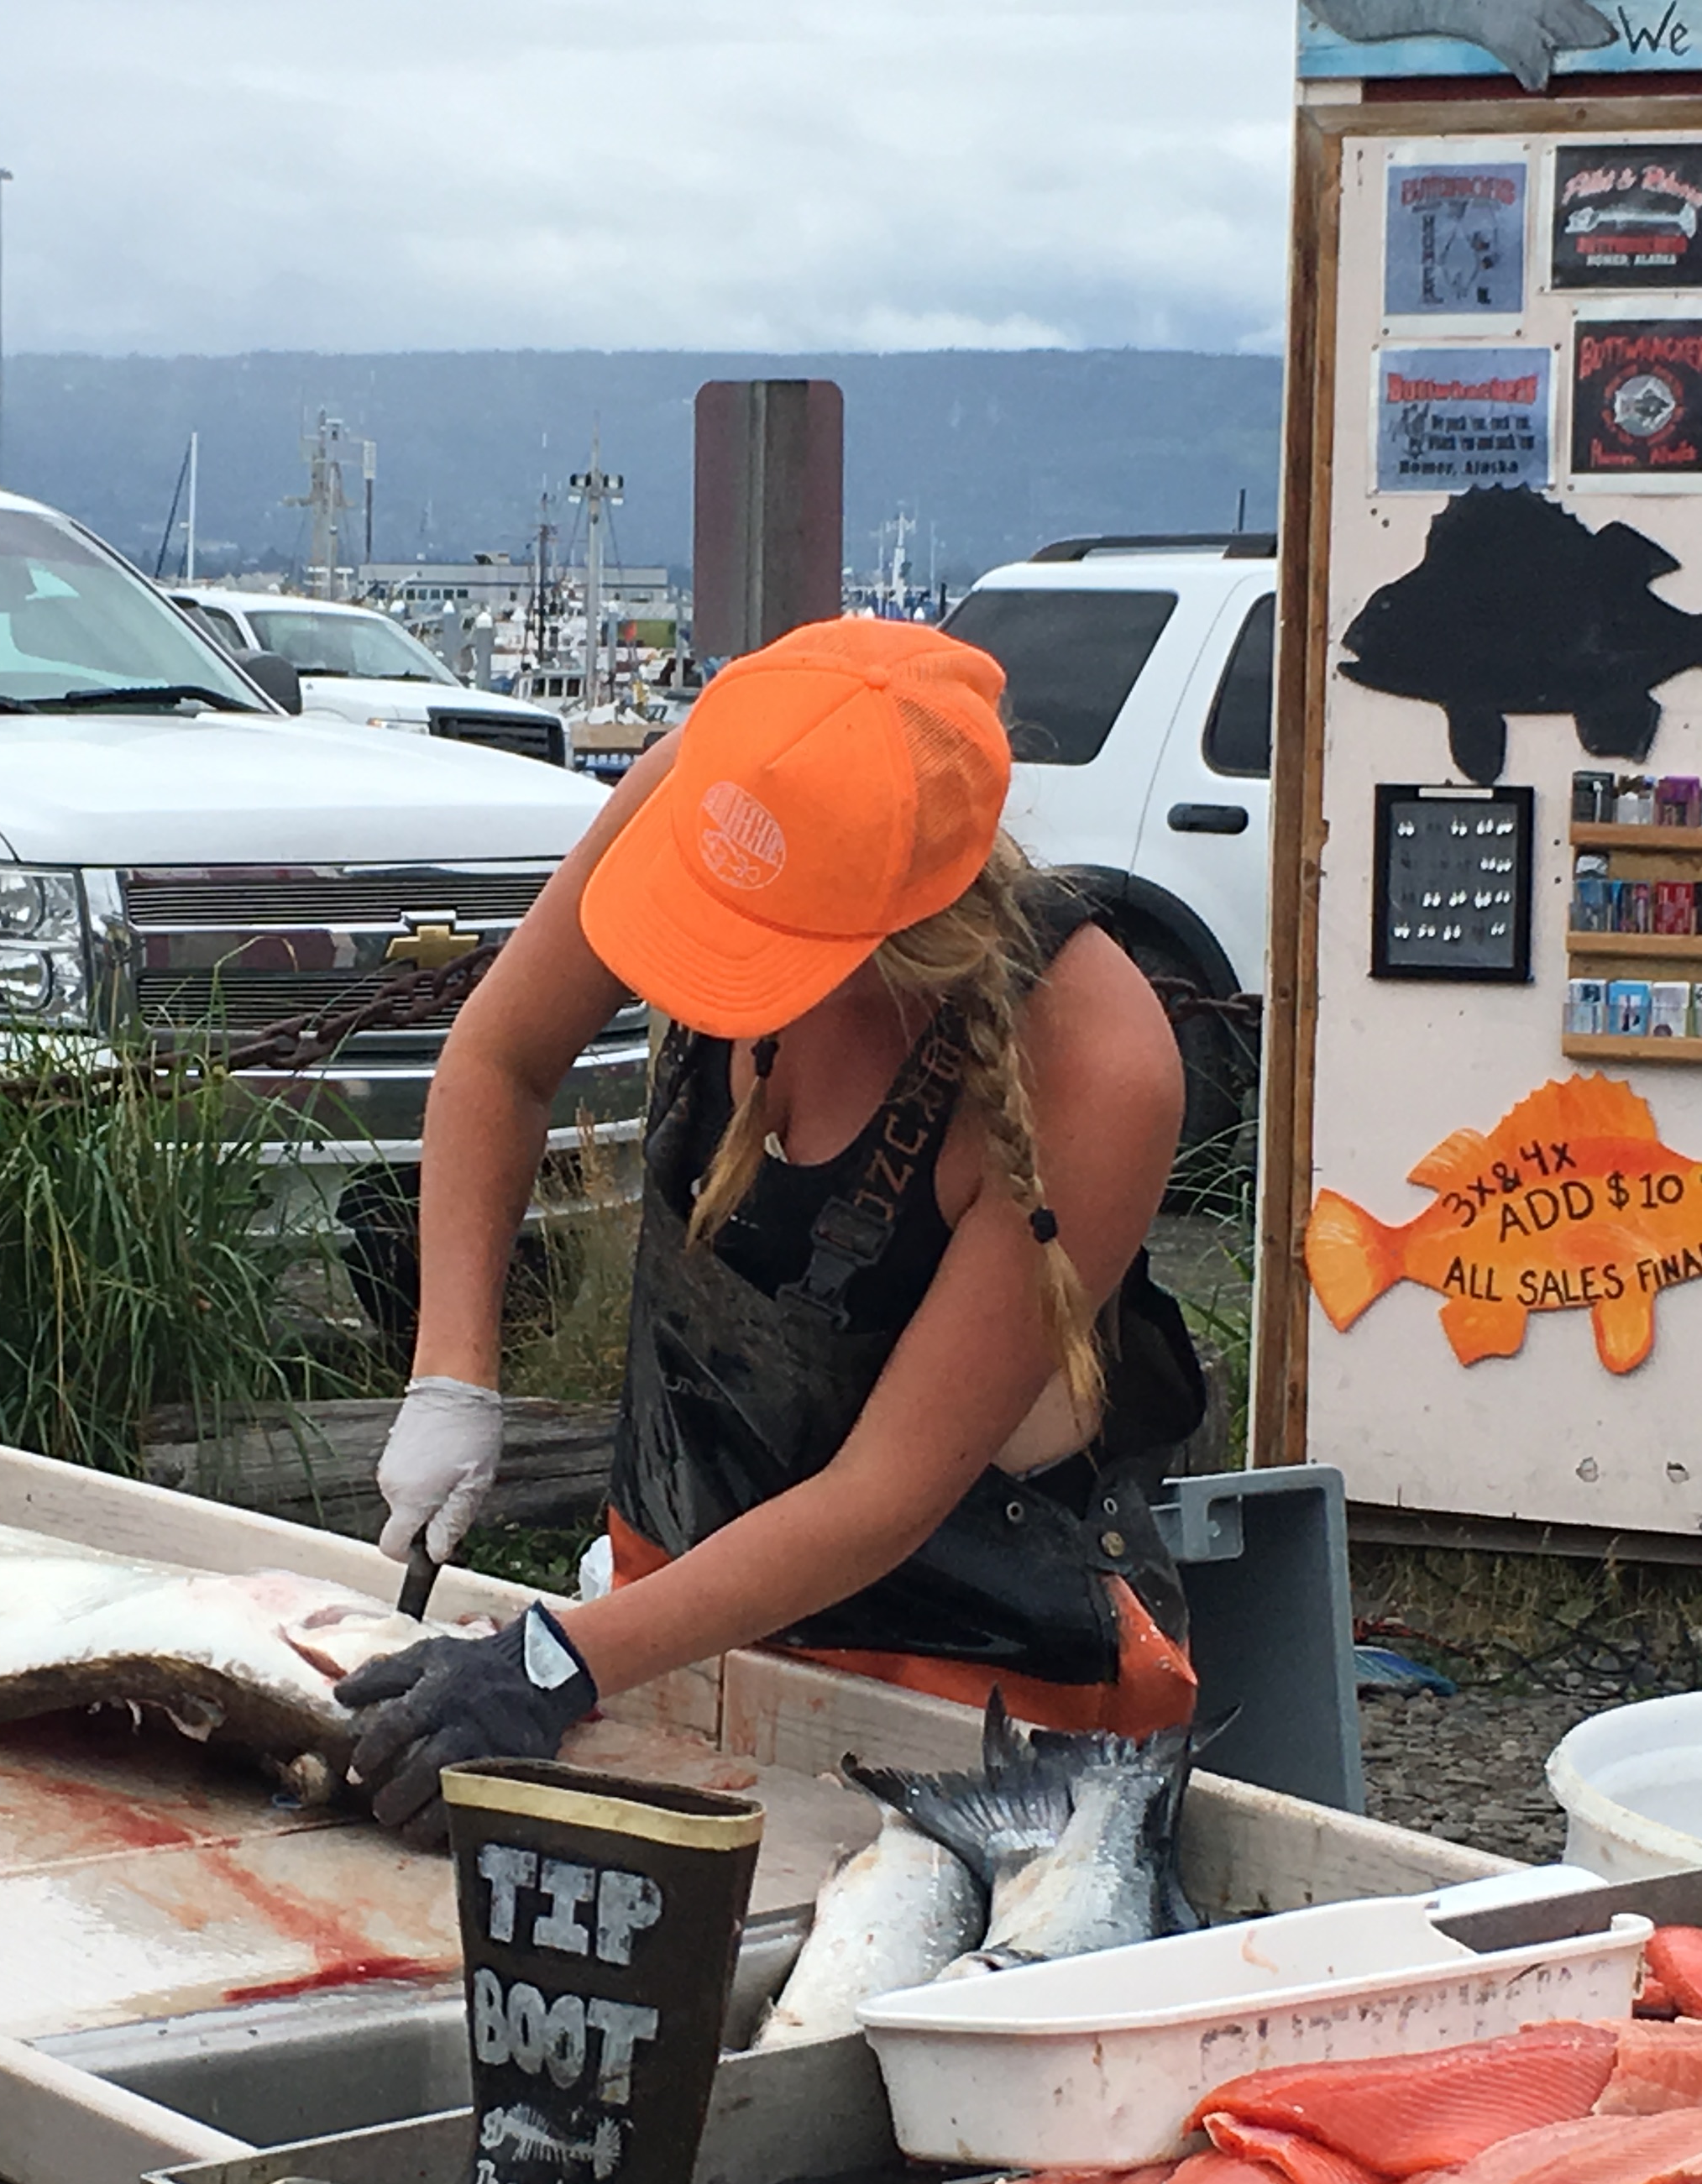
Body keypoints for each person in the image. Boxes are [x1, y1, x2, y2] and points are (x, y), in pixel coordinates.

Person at [338, 618, 1209, 1840]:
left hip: (972, 1707)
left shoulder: (1096, 1067)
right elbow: (499, 1055)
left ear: (902, 933)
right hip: (665, 1616)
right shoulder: (721, 795)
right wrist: (451, 1372)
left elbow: (886, 1492)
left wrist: (551, 1666)